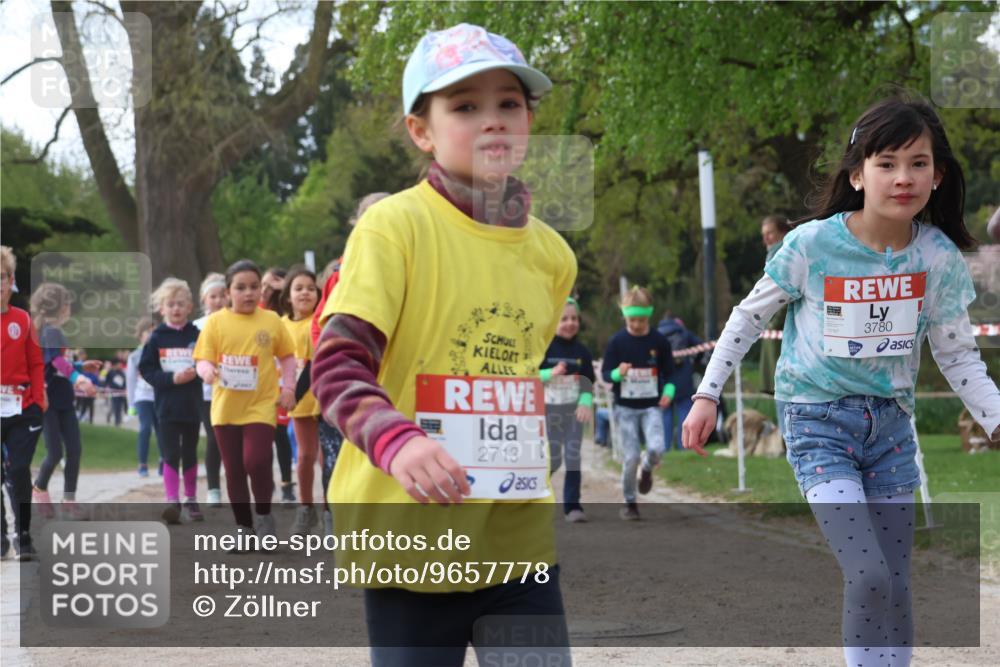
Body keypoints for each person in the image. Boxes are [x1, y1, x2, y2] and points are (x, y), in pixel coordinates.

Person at [683, 98, 1000, 667]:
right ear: (857, 174)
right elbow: (748, 317)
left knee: (897, 582)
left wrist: (995, 416)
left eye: (919, 163)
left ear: (938, 174)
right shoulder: (811, 246)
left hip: (891, 431)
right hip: (817, 423)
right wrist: (707, 394)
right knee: (870, 571)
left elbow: (958, 357)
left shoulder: (937, 259)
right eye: (886, 163)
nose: (903, 177)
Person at [311, 23, 574, 666]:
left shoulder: (553, 255)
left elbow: (511, 371)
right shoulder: (392, 227)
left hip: (516, 540)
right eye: (464, 106)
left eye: (509, 103)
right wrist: (400, 440)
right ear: (421, 130)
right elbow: (337, 366)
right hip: (411, 540)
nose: (492, 121)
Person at [194, 260, 295, 541]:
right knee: (234, 469)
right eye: (241, 288)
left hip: (261, 404)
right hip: (225, 408)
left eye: (254, 287)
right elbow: (203, 358)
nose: (248, 293)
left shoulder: (271, 320)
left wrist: (288, 387)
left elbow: (287, 356)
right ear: (228, 292)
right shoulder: (215, 323)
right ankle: (244, 527)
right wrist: (206, 371)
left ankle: (264, 517)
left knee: (257, 461)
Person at [601, 286, 674, 520]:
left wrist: (669, 392)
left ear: (649, 316)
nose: (636, 325)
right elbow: (605, 374)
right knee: (630, 456)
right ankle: (630, 502)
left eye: (641, 320)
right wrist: (616, 374)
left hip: (651, 406)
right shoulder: (617, 342)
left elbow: (670, 372)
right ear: (624, 316)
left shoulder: (659, 341)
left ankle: (647, 469)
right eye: (632, 320)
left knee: (656, 448)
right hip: (625, 408)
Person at [140, 278, 203, 524]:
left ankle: (191, 498)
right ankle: (172, 501)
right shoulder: (156, 338)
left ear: (189, 307)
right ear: (161, 308)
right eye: (171, 304)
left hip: (192, 405)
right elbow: (147, 370)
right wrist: (172, 378)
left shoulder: (197, 335)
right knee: (170, 453)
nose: (176, 309)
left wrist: (199, 370)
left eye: (181, 304)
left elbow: (207, 361)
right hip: (166, 406)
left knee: (189, 452)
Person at [31, 283, 96, 520]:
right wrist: (79, 378)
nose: (70, 307)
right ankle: (39, 488)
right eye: (67, 303)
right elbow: (58, 364)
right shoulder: (50, 331)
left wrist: (80, 366)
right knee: (55, 453)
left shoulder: (56, 332)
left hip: (65, 402)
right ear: (60, 307)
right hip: (49, 404)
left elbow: (56, 363)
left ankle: (69, 501)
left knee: (75, 450)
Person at [1, 246, 46, 560]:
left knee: (18, 470)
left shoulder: (23, 319)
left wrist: (38, 399)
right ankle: (1, 533)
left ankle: (24, 534)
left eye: (2, 277)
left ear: (10, 280)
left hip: (22, 406)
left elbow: (36, 363)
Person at [540, 297, 595, 523]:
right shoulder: (544, 347)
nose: (570, 323)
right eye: (564, 319)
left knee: (573, 457)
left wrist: (584, 402)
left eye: (574, 318)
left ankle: (572, 506)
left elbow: (587, 381)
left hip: (573, 414)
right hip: (549, 412)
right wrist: (548, 374)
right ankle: (535, 492)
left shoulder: (582, 351)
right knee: (553, 459)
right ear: (553, 321)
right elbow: (530, 376)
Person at [279, 267, 323, 535]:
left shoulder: (321, 322)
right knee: (305, 456)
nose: (305, 292)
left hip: (323, 397)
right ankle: (306, 509)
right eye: (298, 288)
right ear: (288, 297)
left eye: (310, 288)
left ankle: (331, 513)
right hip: (299, 402)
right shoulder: (280, 325)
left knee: (326, 458)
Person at [261, 266, 296, 503]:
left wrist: (285, 287)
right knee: (262, 435)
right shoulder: (259, 312)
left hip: (284, 380)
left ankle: (286, 485)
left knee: (281, 435)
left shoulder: (288, 313)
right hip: (262, 382)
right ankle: (265, 484)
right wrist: (264, 289)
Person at [193, 273, 226, 506]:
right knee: (214, 438)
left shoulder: (236, 321)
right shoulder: (196, 326)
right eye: (213, 296)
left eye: (222, 295)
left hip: (235, 389)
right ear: (204, 299)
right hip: (206, 393)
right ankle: (213, 487)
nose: (218, 300)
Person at [657, 314, 703, 451]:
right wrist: (695, 361)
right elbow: (701, 347)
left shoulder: (657, 334)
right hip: (684, 378)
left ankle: (665, 447)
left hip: (664, 379)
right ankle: (684, 446)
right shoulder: (683, 332)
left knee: (665, 414)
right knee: (684, 412)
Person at [759, 214, 792, 397]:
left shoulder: (784, 253)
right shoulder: (772, 254)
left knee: (782, 387)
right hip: (773, 321)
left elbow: (785, 291)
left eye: (770, 233)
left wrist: (773, 323)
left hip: (781, 321)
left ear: (782, 232)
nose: (766, 239)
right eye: (764, 234)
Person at [126, 318, 162, 477]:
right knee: (145, 428)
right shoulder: (134, 356)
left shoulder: (161, 353)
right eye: (148, 331)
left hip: (160, 397)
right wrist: (131, 405)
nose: (151, 335)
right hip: (142, 397)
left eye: (155, 331)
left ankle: (164, 461)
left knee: (162, 430)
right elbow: (131, 381)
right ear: (140, 335)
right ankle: (142, 464)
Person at [104, 360, 127, 426]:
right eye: (119, 364)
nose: (120, 366)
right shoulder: (110, 372)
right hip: (113, 392)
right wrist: (106, 389)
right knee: (115, 406)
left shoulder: (121, 372)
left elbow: (124, 382)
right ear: (115, 365)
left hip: (121, 393)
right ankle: (116, 420)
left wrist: (125, 390)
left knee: (119, 407)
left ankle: (118, 421)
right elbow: (106, 382)